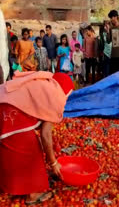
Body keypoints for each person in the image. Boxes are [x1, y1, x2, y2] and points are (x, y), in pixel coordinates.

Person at [0, 71, 74, 205]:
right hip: (8, 111)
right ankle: (34, 194)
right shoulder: (54, 95)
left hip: (3, 103)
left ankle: (9, 185)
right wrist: (53, 162)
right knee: (31, 150)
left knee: (9, 148)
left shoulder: (42, 84)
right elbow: (45, 136)